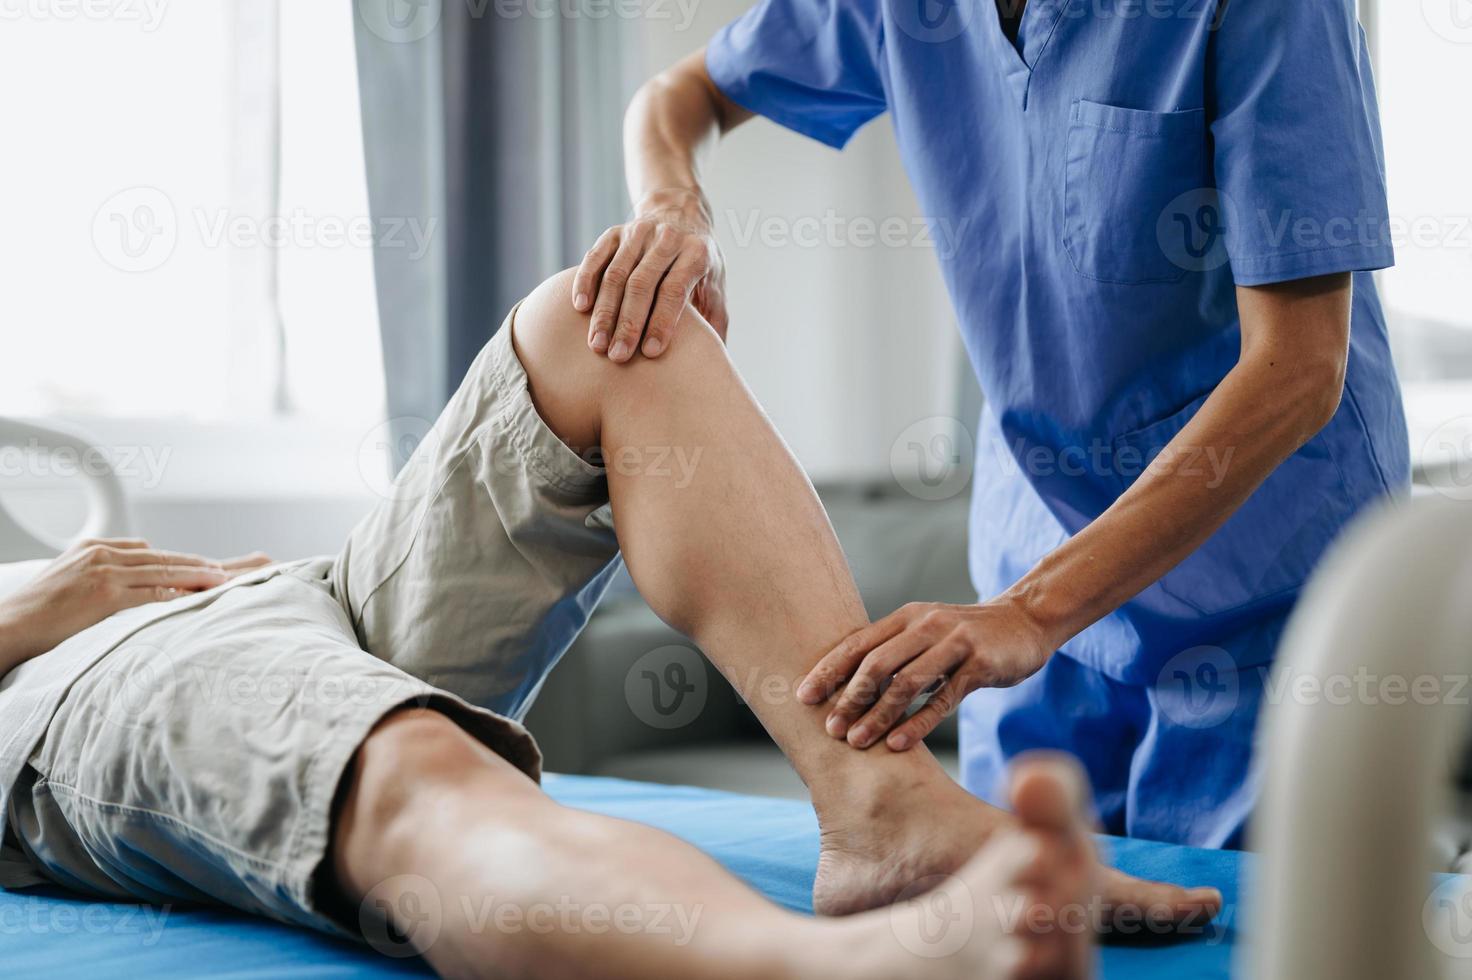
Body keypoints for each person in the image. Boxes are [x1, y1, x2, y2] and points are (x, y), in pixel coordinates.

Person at [0, 271, 1217, 977]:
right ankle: (826, 969)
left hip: (294, 591)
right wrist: (31, 603)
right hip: (70, 672)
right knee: (415, 768)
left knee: (604, 317)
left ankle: (881, 805)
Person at [572, 0, 1409, 847]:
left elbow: (1301, 369)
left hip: (1270, 599)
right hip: (1038, 570)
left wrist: (1029, 614)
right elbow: (677, 96)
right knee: (1016, 929)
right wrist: (674, 205)